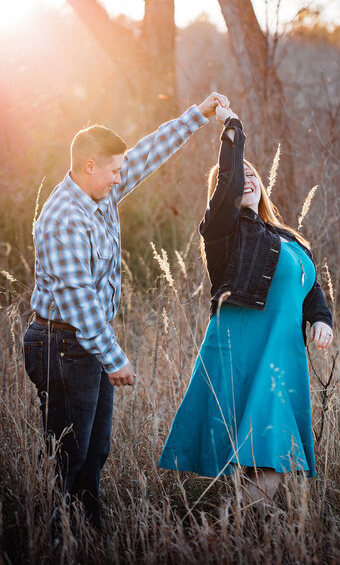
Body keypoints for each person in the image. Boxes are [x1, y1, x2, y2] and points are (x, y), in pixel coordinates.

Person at [23, 92, 230, 528]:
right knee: (70, 451)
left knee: (95, 449)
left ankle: (86, 528)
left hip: (83, 342)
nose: (122, 178)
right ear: (89, 167)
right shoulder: (63, 217)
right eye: (114, 171)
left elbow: (149, 152)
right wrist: (113, 357)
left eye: (122, 170)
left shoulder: (100, 190)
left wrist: (199, 115)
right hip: (61, 343)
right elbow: (78, 299)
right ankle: (56, 534)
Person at [158, 106, 334, 504]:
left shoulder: (286, 237)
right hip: (242, 346)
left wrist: (321, 317)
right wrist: (232, 129)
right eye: (241, 176)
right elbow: (230, 177)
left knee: (269, 454)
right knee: (263, 456)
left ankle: (236, 533)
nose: (248, 179)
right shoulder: (222, 230)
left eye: (254, 175)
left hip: (283, 352)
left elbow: (311, 287)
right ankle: (235, 535)